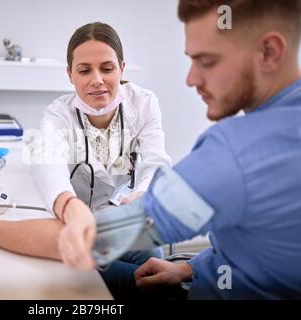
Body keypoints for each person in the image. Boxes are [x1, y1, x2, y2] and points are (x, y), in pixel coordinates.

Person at [58, 0, 301, 300]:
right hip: (199, 272)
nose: (191, 79)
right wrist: (191, 268)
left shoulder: (233, 152)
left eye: (207, 61)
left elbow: (102, 235)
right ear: (70, 74)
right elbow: (255, 247)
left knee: (61, 285)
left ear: (269, 52)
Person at [0, 23, 171, 263]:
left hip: (126, 215)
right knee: (123, 277)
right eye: (84, 70)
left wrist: (142, 195)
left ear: (122, 68)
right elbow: (46, 160)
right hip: (75, 216)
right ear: (70, 74)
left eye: (107, 68)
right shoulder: (58, 114)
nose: (97, 79)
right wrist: (69, 206)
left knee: (152, 261)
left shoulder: (144, 103)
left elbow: (155, 162)